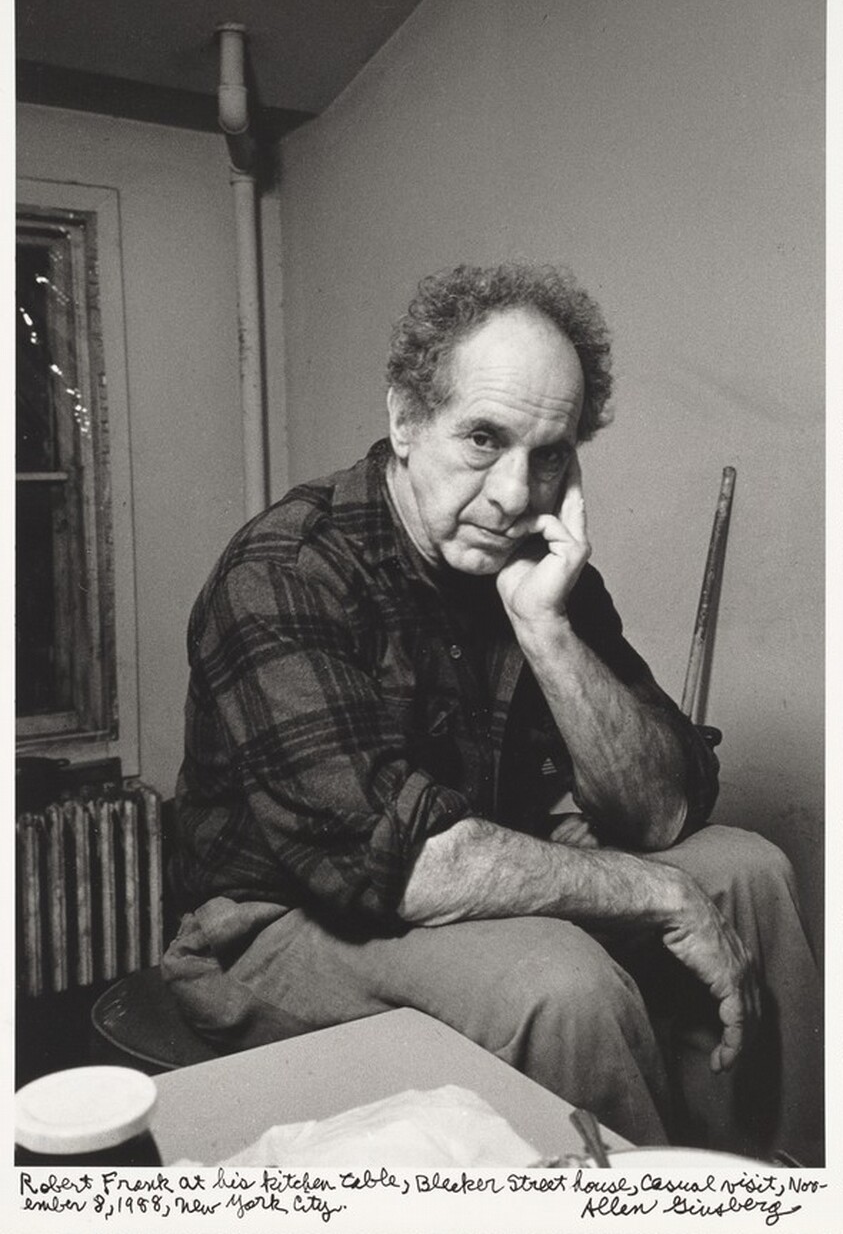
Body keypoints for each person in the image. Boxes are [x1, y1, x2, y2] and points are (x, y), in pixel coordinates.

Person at [163, 263, 823, 1163]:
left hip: (477, 856)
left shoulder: (536, 567)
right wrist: (654, 892)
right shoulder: (283, 572)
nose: (516, 494)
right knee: (560, 983)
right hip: (277, 918)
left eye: (547, 454)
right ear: (405, 419)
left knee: (750, 873)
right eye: (482, 439)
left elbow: (662, 810)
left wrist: (545, 628)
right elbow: (406, 866)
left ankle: (781, 1184)